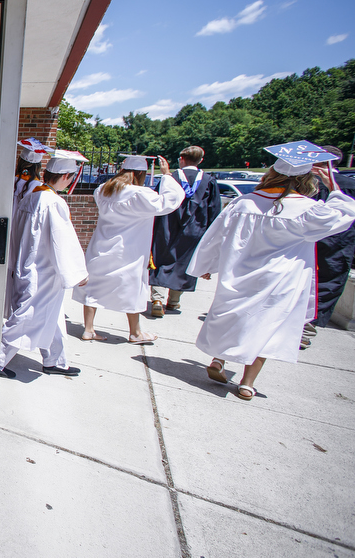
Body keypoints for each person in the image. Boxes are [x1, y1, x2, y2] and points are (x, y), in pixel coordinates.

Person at [187, 153, 355, 400]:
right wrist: (334, 188)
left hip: (241, 272)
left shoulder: (244, 204)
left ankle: (218, 359)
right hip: (281, 279)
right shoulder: (307, 210)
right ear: (305, 179)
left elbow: (217, 236)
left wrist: (207, 264)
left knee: (234, 317)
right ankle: (247, 382)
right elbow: (342, 217)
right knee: (268, 327)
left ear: (271, 174)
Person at [74, 155, 185, 344]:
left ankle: (88, 329)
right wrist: (166, 176)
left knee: (93, 287)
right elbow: (170, 202)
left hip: (101, 247)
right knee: (133, 289)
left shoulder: (102, 190)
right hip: (127, 252)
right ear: (141, 174)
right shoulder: (140, 195)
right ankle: (135, 333)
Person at [0, 152, 89, 377]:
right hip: (43, 271)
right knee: (25, 317)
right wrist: (77, 273)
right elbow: (62, 242)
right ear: (66, 176)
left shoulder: (32, 196)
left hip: (30, 265)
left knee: (54, 316)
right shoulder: (53, 202)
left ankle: (55, 361)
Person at [148, 145, 222, 317]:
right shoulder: (208, 181)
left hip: (168, 226)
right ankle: (173, 301)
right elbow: (214, 209)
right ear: (200, 160)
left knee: (162, 259)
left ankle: (157, 299)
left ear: (181, 159)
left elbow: (157, 201)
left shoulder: (171, 178)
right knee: (184, 263)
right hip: (195, 229)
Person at [302, 145, 355, 348]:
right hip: (340, 243)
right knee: (328, 283)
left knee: (304, 279)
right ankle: (309, 323)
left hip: (310, 240)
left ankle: (301, 323)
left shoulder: (307, 184)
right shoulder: (348, 185)